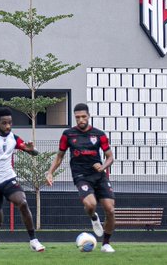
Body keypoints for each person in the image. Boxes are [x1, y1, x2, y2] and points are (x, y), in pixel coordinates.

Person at [46, 102, 116, 253]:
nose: (81, 120)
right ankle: (93, 217)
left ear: (89, 116)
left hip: (99, 175)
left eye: (84, 116)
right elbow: (59, 156)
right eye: (78, 117)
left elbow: (110, 157)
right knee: (90, 205)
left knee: (110, 210)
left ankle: (106, 244)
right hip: (81, 175)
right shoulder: (68, 134)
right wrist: (50, 172)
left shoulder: (99, 134)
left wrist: (103, 167)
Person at [0, 107, 45, 252]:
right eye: (4, 123)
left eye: (10, 123)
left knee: (23, 202)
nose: (8, 126)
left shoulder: (14, 138)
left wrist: (32, 149)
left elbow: (33, 152)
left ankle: (34, 240)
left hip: (8, 179)